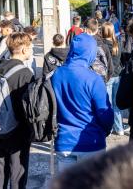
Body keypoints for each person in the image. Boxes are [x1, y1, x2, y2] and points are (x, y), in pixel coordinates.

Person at [51, 34, 114, 171]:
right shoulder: (94, 79)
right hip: (91, 141)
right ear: (91, 52)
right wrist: (106, 131)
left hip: (64, 141)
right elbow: (105, 113)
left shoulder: (57, 74)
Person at [0, 32, 35, 189]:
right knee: (17, 173)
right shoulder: (25, 73)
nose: (31, 50)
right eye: (30, 47)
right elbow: (28, 106)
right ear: (23, 49)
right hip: (18, 131)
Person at [101, 22, 126, 136]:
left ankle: (109, 128)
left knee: (108, 104)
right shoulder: (118, 43)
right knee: (117, 104)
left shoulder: (102, 45)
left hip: (108, 76)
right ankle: (119, 128)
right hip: (118, 75)